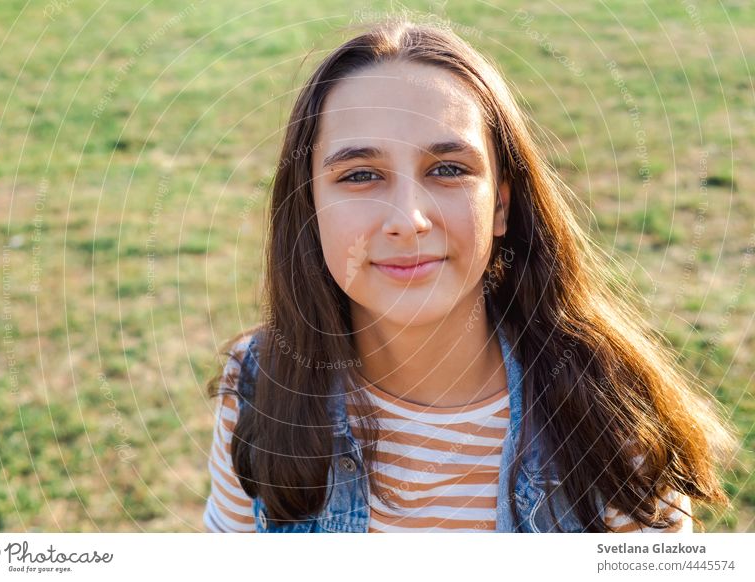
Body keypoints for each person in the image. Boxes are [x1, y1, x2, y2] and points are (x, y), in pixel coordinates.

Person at [203, 19, 736, 533]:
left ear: (501, 203)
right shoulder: (257, 385)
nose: (409, 221)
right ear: (310, 208)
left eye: (448, 169)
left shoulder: (614, 421)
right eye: (360, 175)